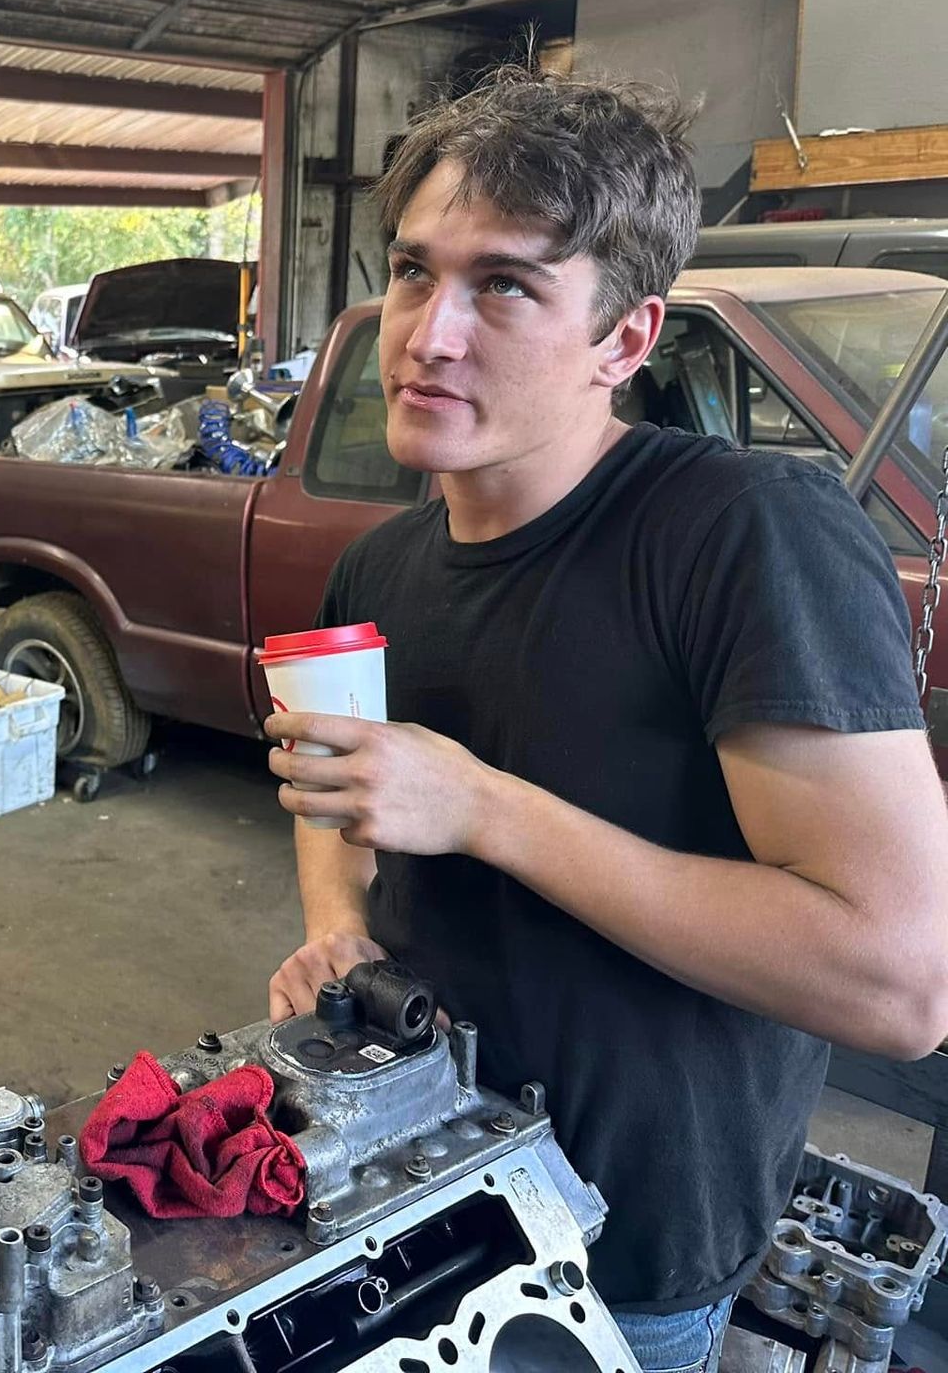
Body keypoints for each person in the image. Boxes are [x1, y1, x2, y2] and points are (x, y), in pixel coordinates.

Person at [264, 72, 948, 1373]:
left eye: (506, 287)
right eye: (414, 272)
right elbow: (332, 797)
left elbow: (905, 980)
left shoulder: (748, 539)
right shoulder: (381, 572)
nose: (428, 335)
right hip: (408, 1193)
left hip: (625, 1256)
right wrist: (334, 926)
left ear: (625, 341)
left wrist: (484, 809)